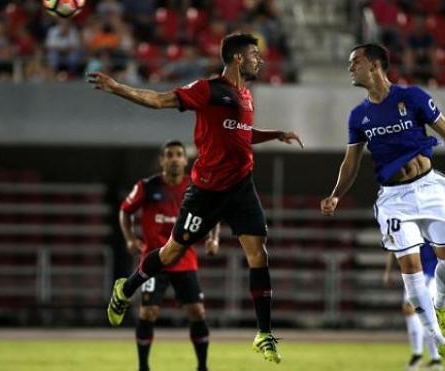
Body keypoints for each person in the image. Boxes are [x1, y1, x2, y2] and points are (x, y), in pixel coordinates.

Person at [88, 33, 304, 364]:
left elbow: (241, 136)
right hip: (206, 191)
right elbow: (160, 100)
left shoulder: (245, 95)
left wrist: (274, 134)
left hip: (241, 187)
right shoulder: (208, 90)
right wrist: (118, 88)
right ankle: (126, 289)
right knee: (172, 251)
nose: (260, 60)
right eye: (254, 54)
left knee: (258, 253)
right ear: (236, 59)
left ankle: (263, 333)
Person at [320, 43, 445, 371]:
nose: (350, 68)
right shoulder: (358, 116)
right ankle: (438, 342)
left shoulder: (413, 98)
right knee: (409, 268)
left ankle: (442, 304)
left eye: (356, 62)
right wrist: (335, 193)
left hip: (430, 189)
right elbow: (351, 162)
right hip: (394, 199)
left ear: (375, 65)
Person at [120, 141, 218, 371]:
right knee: (148, 312)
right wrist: (129, 239)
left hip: (184, 259)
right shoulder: (148, 186)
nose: (174, 158)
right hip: (154, 261)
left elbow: (213, 213)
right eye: (169, 155)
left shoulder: (194, 187)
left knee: (197, 312)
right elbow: (125, 211)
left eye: (178, 155)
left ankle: (202, 366)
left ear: (185, 160)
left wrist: (213, 239)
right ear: (162, 160)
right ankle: (143, 367)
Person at [384, 243, 442, 371]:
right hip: (413, 273)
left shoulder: (422, 224)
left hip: (427, 272)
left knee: (413, 310)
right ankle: (434, 359)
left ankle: (420, 356)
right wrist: (388, 271)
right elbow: (392, 247)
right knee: (418, 313)